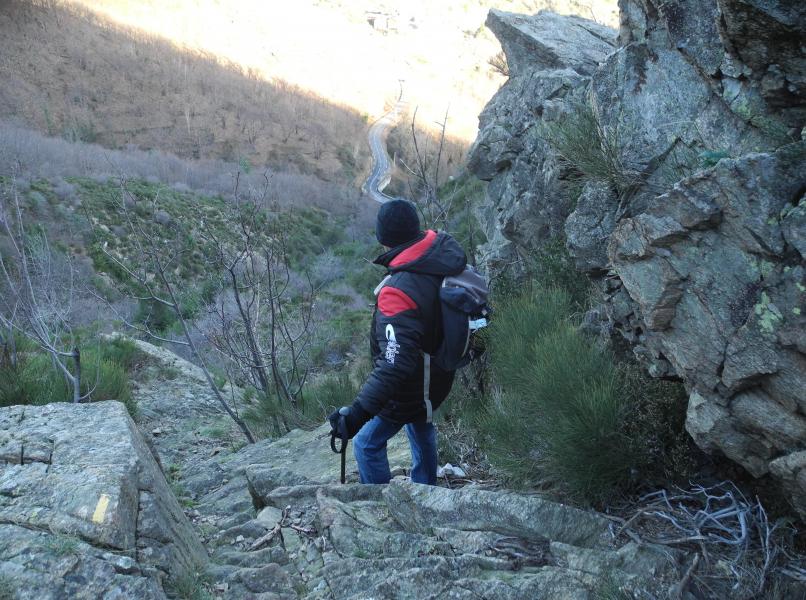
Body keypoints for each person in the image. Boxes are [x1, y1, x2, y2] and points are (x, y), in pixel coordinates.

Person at [328, 199, 466, 485]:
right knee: (421, 425)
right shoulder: (436, 257)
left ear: (384, 239)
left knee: (366, 443)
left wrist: (355, 416)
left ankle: (380, 503)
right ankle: (426, 490)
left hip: (413, 386)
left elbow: (393, 365)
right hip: (438, 375)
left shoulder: (398, 291)